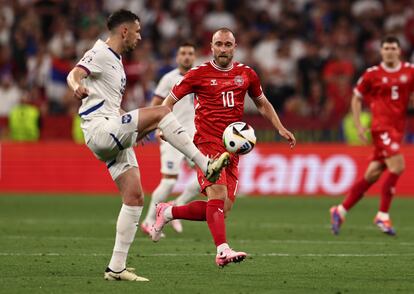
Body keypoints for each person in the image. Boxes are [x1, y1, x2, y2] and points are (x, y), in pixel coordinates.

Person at [66, 10, 229, 281]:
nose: (140, 37)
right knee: (163, 112)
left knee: (134, 197)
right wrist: (76, 86)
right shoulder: (101, 52)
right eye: (138, 31)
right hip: (100, 130)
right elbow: (76, 73)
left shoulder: (116, 62)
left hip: (111, 130)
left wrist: (137, 128)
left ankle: (116, 268)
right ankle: (205, 164)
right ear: (125, 31)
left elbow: (109, 103)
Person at [150, 28, 296, 267]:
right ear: (211, 46)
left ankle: (168, 212)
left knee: (222, 208)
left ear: (234, 47)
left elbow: (261, 103)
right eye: (219, 44)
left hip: (233, 148)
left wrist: (279, 127)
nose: (224, 49)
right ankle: (222, 250)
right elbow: (169, 102)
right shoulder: (198, 74)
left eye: (228, 44)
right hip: (206, 144)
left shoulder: (246, 74)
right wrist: (161, 126)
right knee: (217, 195)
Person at [330, 36, 414, 236]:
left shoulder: (410, 71)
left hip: (398, 128)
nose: (390, 51)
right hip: (381, 127)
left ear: (399, 51)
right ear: (381, 51)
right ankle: (382, 215)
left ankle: (340, 210)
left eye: (393, 47)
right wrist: (359, 124)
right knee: (398, 165)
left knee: (373, 174)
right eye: (386, 47)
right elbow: (357, 98)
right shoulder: (372, 74)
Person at [140, 42, 201, 236]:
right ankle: (148, 221)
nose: (186, 57)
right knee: (169, 181)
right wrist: (153, 127)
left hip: (194, 135)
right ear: (177, 57)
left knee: (208, 174)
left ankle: (177, 205)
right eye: (183, 53)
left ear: (195, 56)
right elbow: (156, 104)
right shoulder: (169, 79)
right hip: (171, 135)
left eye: (190, 53)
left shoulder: (200, 77)